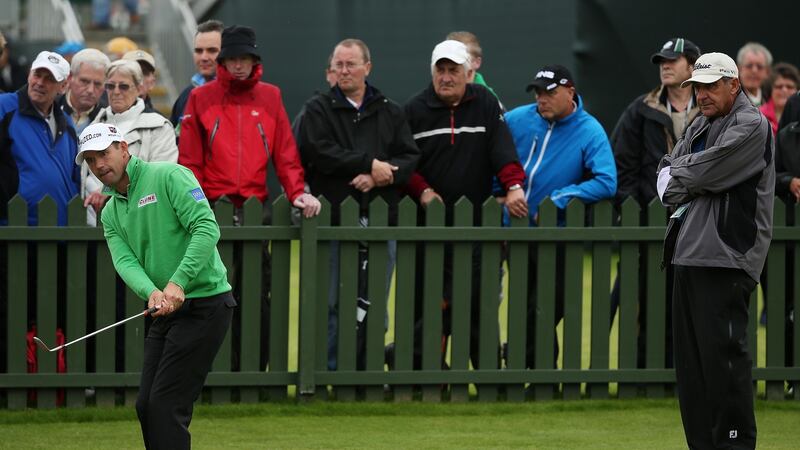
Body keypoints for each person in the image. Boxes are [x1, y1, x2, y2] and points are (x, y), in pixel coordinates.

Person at [76, 122, 234, 449]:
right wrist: (151, 292)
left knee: (165, 405)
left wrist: (178, 281)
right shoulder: (110, 212)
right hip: (163, 308)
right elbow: (125, 261)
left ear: (123, 148)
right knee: (146, 405)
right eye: (90, 160)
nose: (98, 165)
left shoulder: (168, 175)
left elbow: (206, 228)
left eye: (103, 154)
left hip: (205, 304)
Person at [179, 24, 321, 372]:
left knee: (257, 296)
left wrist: (297, 193)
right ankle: (214, 372)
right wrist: (197, 206)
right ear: (223, 61)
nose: (239, 65)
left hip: (256, 210)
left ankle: (255, 371)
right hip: (213, 210)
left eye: (245, 58)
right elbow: (190, 161)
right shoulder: (200, 97)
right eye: (233, 58)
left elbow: (285, 153)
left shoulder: (271, 96)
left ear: (255, 60)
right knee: (211, 296)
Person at [657, 52, 774, 449]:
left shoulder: (751, 124)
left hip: (726, 257)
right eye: (698, 88)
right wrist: (687, 175)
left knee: (723, 365)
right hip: (687, 254)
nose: (702, 95)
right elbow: (665, 176)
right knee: (692, 372)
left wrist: (685, 174)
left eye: (710, 86)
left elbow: (698, 172)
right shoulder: (700, 124)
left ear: (734, 85)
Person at [295, 38, 420, 370]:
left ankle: (368, 372)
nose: (344, 70)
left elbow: (409, 158)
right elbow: (319, 151)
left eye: (350, 64)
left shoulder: (390, 110)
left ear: (368, 67)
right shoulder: (317, 109)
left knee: (375, 302)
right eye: (338, 64)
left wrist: (379, 176)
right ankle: (330, 370)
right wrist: (368, 164)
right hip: (334, 221)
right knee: (332, 301)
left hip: (382, 221)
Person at [403, 39, 527, 368]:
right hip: (428, 227)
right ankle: (425, 371)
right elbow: (403, 162)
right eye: (440, 70)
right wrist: (422, 190)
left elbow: (502, 149)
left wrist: (514, 186)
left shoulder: (485, 102)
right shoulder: (414, 110)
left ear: (468, 72)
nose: (446, 77)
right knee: (428, 302)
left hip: (477, 224)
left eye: (453, 70)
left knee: (477, 302)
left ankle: (486, 372)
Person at [504, 64, 616, 368]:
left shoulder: (589, 129)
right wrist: (501, 191)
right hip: (514, 231)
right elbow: (495, 155)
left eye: (549, 93)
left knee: (546, 306)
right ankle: (540, 372)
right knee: (525, 306)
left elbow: (607, 180)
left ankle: (522, 359)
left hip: (558, 236)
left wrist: (559, 199)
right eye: (538, 92)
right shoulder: (517, 119)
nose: (541, 99)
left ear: (570, 92)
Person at [609, 37, 701, 369]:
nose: (664, 66)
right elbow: (622, 165)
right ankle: (646, 370)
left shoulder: (712, 108)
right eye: (661, 61)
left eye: (672, 60)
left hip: (700, 223)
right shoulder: (640, 109)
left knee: (694, 301)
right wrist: (637, 208)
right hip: (653, 224)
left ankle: (687, 370)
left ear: (692, 66)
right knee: (647, 298)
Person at [84, 59, 177, 225]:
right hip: (95, 222)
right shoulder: (93, 126)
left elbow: (161, 178)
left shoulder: (159, 127)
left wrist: (107, 190)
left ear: (139, 89)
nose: (116, 92)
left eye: (124, 86)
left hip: (145, 221)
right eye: (110, 86)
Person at [0, 51, 78, 226]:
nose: (40, 83)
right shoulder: (4, 107)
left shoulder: (67, 123)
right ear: (29, 75)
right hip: (13, 228)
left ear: (63, 87)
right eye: (37, 74)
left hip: (61, 230)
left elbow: (74, 175)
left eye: (49, 78)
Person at [170, 19, 224, 130]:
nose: (204, 57)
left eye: (212, 50)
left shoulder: (239, 95)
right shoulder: (186, 95)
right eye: (199, 51)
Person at [57, 48, 111, 134]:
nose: (90, 90)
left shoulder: (109, 119)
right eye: (84, 81)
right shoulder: (50, 108)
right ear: (70, 77)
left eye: (97, 84)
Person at [446, 31, 502, 102]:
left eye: (462, 58)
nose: (452, 63)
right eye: (447, 58)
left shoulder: (489, 100)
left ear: (477, 63)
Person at [760, 62, 799, 134]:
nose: (784, 90)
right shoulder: (759, 115)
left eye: (789, 87)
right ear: (770, 90)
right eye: (779, 86)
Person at [736, 42, 772, 107]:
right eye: (749, 66)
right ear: (739, 69)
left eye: (759, 67)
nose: (754, 71)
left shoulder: (773, 96)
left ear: (767, 72)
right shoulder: (731, 99)